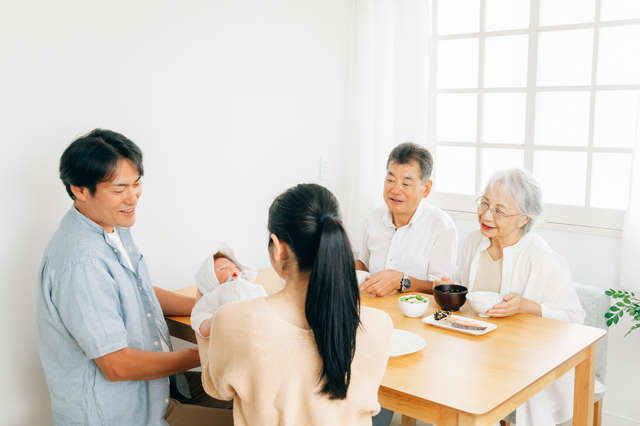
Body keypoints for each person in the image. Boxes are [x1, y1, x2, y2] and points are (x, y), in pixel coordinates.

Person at [36, 129, 232, 426]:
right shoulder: (81, 263)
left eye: (137, 184)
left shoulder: (111, 224)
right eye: (119, 189)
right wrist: (207, 353)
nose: (132, 198)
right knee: (259, 414)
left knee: (257, 395)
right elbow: (117, 365)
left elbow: (135, 290)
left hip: (158, 391)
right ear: (79, 190)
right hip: (123, 414)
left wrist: (211, 309)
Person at [198, 183, 393, 426]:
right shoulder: (378, 326)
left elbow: (217, 388)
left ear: (278, 248)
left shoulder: (233, 319)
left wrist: (203, 308)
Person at [441, 168, 585, 426]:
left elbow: (575, 318)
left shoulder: (542, 258)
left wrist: (528, 307)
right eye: (484, 203)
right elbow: (463, 293)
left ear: (523, 219)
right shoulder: (473, 242)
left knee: (464, 391)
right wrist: (450, 288)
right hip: (471, 349)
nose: (486, 215)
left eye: (499, 210)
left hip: (522, 363)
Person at [357, 142, 457, 297]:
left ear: (426, 188)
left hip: (417, 316)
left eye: (406, 183)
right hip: (376, 307)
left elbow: (443, 287)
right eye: (390, 180)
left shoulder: (442, 226)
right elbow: (363, 263)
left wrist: (403, 281)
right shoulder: (373, 217)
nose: (395, 190)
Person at [191, 244, 267, 337]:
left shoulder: (251, 287)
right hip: (232, 329)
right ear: (211, 279)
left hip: (258, 323)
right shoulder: (216, 293)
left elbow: (264, 299)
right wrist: (212, 322)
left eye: (235, 267)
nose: (232, 270)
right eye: (223, 268)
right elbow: (199, 315)